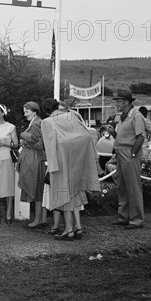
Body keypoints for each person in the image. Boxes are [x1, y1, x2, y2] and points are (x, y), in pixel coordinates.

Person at [40, 98, 100, 240]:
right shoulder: (72, 115)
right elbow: (87, 133)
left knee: (63, 193)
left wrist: (51, 168)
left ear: (46, 111)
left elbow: (49, 146)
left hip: (62, 159)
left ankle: (68, 230)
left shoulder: (47, 122)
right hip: (79, 157)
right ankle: (77, 227)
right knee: (75, 191)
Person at [112, 90, 146, 230]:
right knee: (122, 186)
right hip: (121, 153)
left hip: (129, 153)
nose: (117, 104)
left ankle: (137, 219)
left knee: (133, 186)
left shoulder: (136, 116)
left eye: (119, 101)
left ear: (126, 102)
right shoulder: (123, 117)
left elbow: (141, 137)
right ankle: (124, 216)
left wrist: (132, 154)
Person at [17, 101, 46, 229]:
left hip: (34, 158)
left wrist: (24, 141)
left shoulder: (36, 124)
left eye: (27, 111)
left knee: (37, 188)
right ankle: (40, 218)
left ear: (34, 111)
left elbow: (40, 144)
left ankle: (38, 219)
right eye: (24, 111)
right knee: (38, 188)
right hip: (34, 158)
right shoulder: (36, 122)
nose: (25, 114)